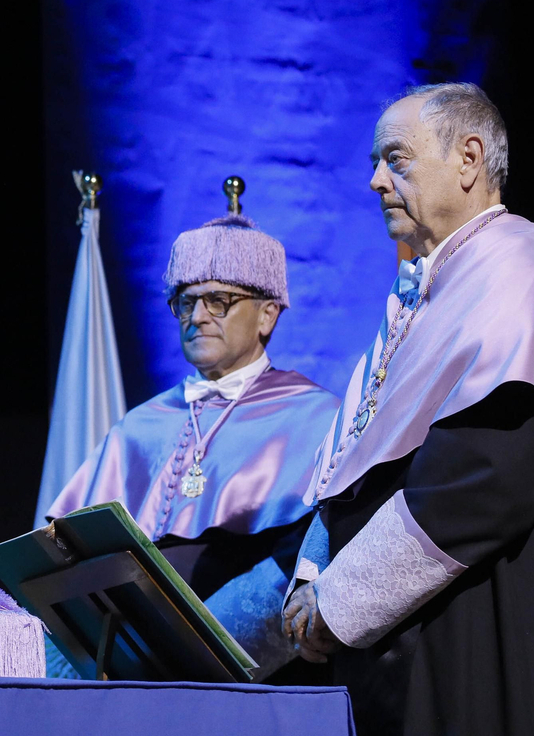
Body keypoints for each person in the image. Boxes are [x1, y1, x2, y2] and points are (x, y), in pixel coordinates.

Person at [282, 83, 534, 735]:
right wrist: (311, 578)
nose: (374, 182)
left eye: (395, 158)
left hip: (480, 636)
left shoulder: (522, 269)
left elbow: (483, 476)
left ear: (469, 158)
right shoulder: (422, 298)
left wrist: (335, 600)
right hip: (397, 649)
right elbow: (354, 457)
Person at [47, 207, 343, 678]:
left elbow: (311, 552)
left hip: (245, 668)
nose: (198, 316)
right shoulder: (140, 425)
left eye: (219, 300)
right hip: (128, 663)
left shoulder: (314, 414)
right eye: (185, 302)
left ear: (267, 314)